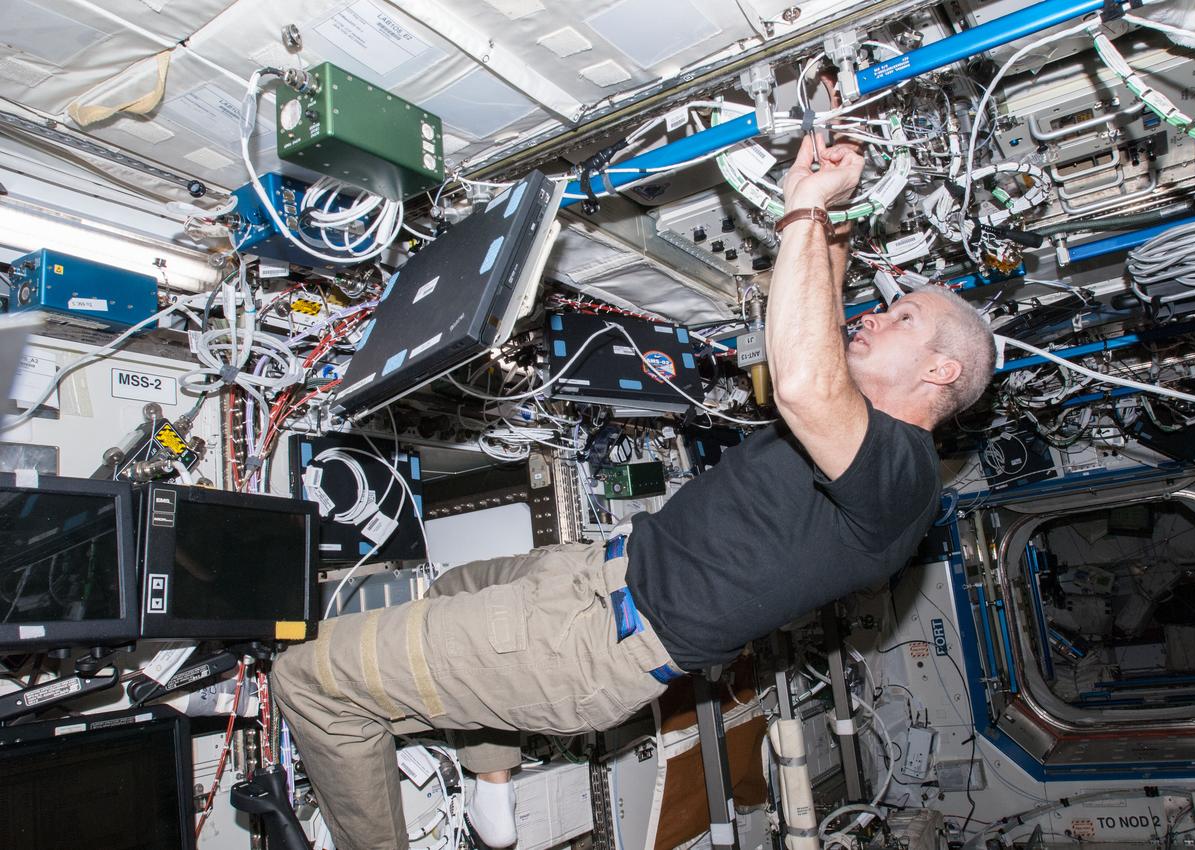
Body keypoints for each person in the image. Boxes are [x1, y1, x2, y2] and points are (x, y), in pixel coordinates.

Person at [271, 135, 997, 850]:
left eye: (903, 319)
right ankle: (493, 783)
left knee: (310, 681)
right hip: (596, 573)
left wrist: (802, 208)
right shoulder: (867, 439)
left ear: (939, 372)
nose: (874, 316)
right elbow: (823, 320)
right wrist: (836, 201)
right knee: (453, 586)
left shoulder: (905, 475)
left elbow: (805, 382)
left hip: (585, 645)